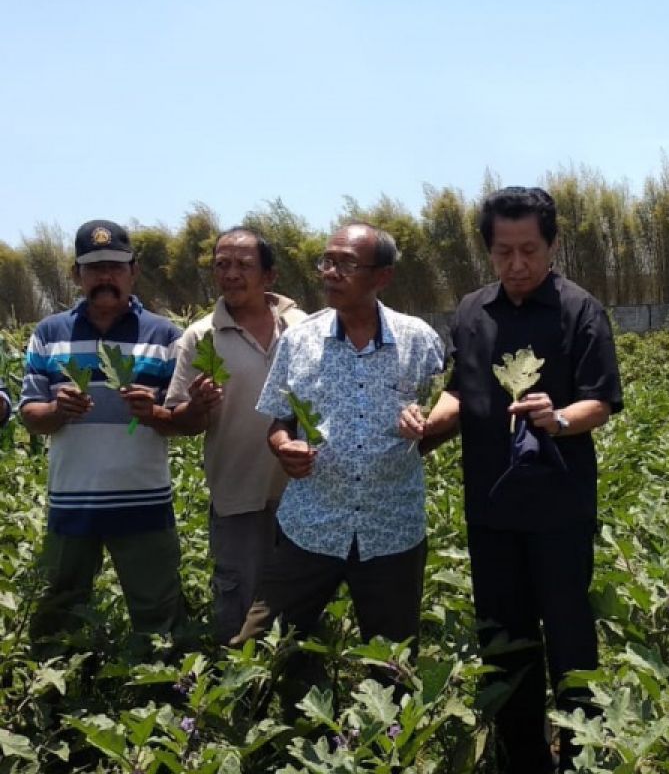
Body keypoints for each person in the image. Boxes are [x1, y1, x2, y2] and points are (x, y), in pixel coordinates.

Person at [402, 186, 623, 773]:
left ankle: (583, 757)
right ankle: (521, 758)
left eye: (529, 250)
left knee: (570, 636)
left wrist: (559, 419)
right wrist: (429, 424)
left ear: (551, 244)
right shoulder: (473, 311)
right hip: (491, 509)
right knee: (503, 640)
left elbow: (600, 401)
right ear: (489, 251)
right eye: (504, 252)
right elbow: (461, 388)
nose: (517, 265)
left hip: (560, 509)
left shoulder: (580, 310)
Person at [232, 224, 442, 666]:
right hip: (311, 524)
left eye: (346, 264)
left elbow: (450, 404)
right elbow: (279, 421)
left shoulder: (419, 340)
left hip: (392, 528)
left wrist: (427, 424)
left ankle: (385, 734)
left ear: (382, 276)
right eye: (326, 261)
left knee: (393, 664)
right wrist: (284, 447)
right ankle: (258, 730)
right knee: (261, 651)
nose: (330, 272)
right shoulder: (300, 340)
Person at [19, 219, 184, 642]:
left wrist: (155, 414)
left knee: (157, 616)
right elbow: (30, 414)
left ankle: (163, 699)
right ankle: (57, 701)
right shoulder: (49, 334)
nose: (104, 277)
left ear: (134, 270)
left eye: (115, 266)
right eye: (93, 268)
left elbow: (189, 421)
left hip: (144, 503)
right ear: (77, 275)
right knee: (60, 610)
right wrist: (57, 410)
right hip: (72, 503)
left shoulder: (165, 336)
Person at [165, 226, 307, 643]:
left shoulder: (304, 328)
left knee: (301, 605)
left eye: (244, 265)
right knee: (239, 607)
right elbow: (182, 423)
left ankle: (294, 692)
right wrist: (197, 406)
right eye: (222, 265)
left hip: (305, 492)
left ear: (270, 276)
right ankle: (242, 700)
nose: (231, 274)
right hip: (236, 495)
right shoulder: (201, 336)